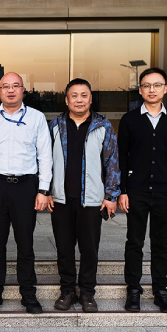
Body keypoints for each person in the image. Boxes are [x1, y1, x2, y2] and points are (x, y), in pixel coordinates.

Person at [0, 72, 53, 315]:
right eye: (6, 86)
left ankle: (28, 294)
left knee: (25, 244)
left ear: (23, 90)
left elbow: (45, 156)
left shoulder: (37, 117)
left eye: (15, 86)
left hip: (25, 187)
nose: (10, 90)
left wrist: (43, 190)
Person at [118, 67, 167, 313]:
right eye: (147, 85)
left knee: (161, 243)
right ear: (140, 90)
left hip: (164, 191)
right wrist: (122, 190)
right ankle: (133, 290)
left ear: (165, 89)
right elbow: (122, 158)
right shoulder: (129, 120)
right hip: (136, 191)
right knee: (134, 242)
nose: (152, 89)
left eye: (157, 85)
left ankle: (160, 290)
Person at [47, 78, 120, 312]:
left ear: (90, 99)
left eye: (84, 95)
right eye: (74, 95)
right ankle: (67, 291)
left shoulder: (102, 125)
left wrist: (111, 195)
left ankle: (87, 293)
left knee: (89, 250)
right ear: (66, 99)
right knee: (64, 249)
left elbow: (112, 161)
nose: (79, 100)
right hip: (61, 199)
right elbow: (45, 161)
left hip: (92, 200)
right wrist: (45, 191)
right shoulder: (55, 125)